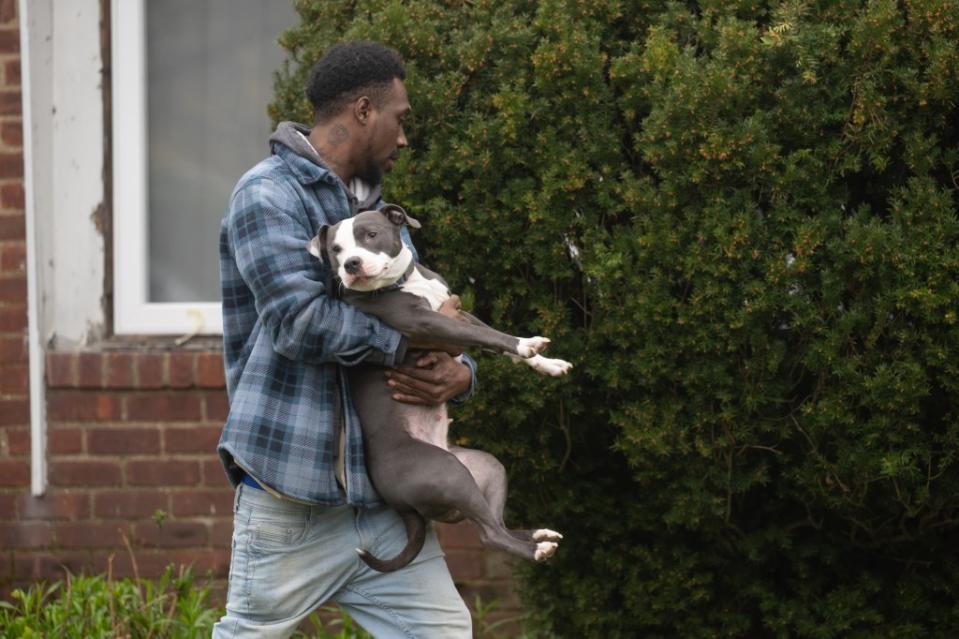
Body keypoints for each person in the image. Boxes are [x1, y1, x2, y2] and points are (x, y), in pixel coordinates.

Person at [213, 41, 477, 638]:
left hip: (384, 499)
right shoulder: (267, 195)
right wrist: (409, 345)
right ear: (362, 110)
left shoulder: (371, 210)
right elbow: (299, 322)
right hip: (292, 500)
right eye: (399, 118)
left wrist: (459, 375)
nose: (404, 138)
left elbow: (425, 312)